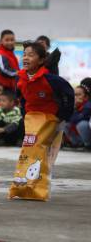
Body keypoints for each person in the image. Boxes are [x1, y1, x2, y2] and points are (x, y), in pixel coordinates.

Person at [9, 41, 74, 201]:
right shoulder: (21, 79)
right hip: (32, 120)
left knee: (43, 152)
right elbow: (22, 99)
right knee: (28, 150)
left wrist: (62, 117)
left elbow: (69, 95)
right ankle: (23, 186)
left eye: (31, 55)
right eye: (24, 54)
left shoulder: (51, 79)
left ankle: (40, 188)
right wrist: (25, 114)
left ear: (41, 60)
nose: (25, 58)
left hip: (51, 119)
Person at [64, 84, 91, 150]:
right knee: (65, 124)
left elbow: (77, 119)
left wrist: (74, 110)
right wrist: (73, 108)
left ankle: (88, 145)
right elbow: (66, 118)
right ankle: (77, 143)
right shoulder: (75, 105)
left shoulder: (88, 106)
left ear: (86, 97)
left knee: (82, 124)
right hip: (79, 132)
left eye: (79, 95)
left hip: (86, 129)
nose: (76, 97)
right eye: (75, 95)